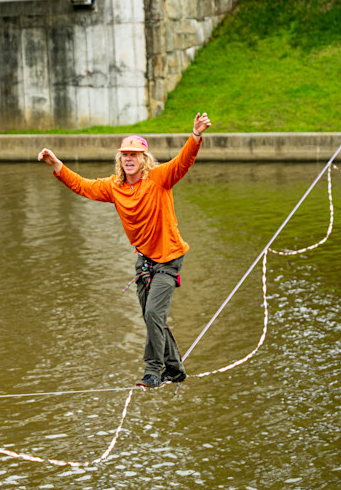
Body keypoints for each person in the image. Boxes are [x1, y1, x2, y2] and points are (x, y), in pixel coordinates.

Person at [37, 113, 213, 388]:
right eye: (125, 155)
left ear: (144, 159)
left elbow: (182, 163)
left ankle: (153, 371)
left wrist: (196, 136)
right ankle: (176, 369)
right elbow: (83, 186)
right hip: (144, 264)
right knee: (151, 316)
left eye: (135, 155)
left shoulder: (158, 179)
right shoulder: (114, 187)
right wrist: (57, 165)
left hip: (169, 260)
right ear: (120, 160)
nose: (129, 159)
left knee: (154, 314)